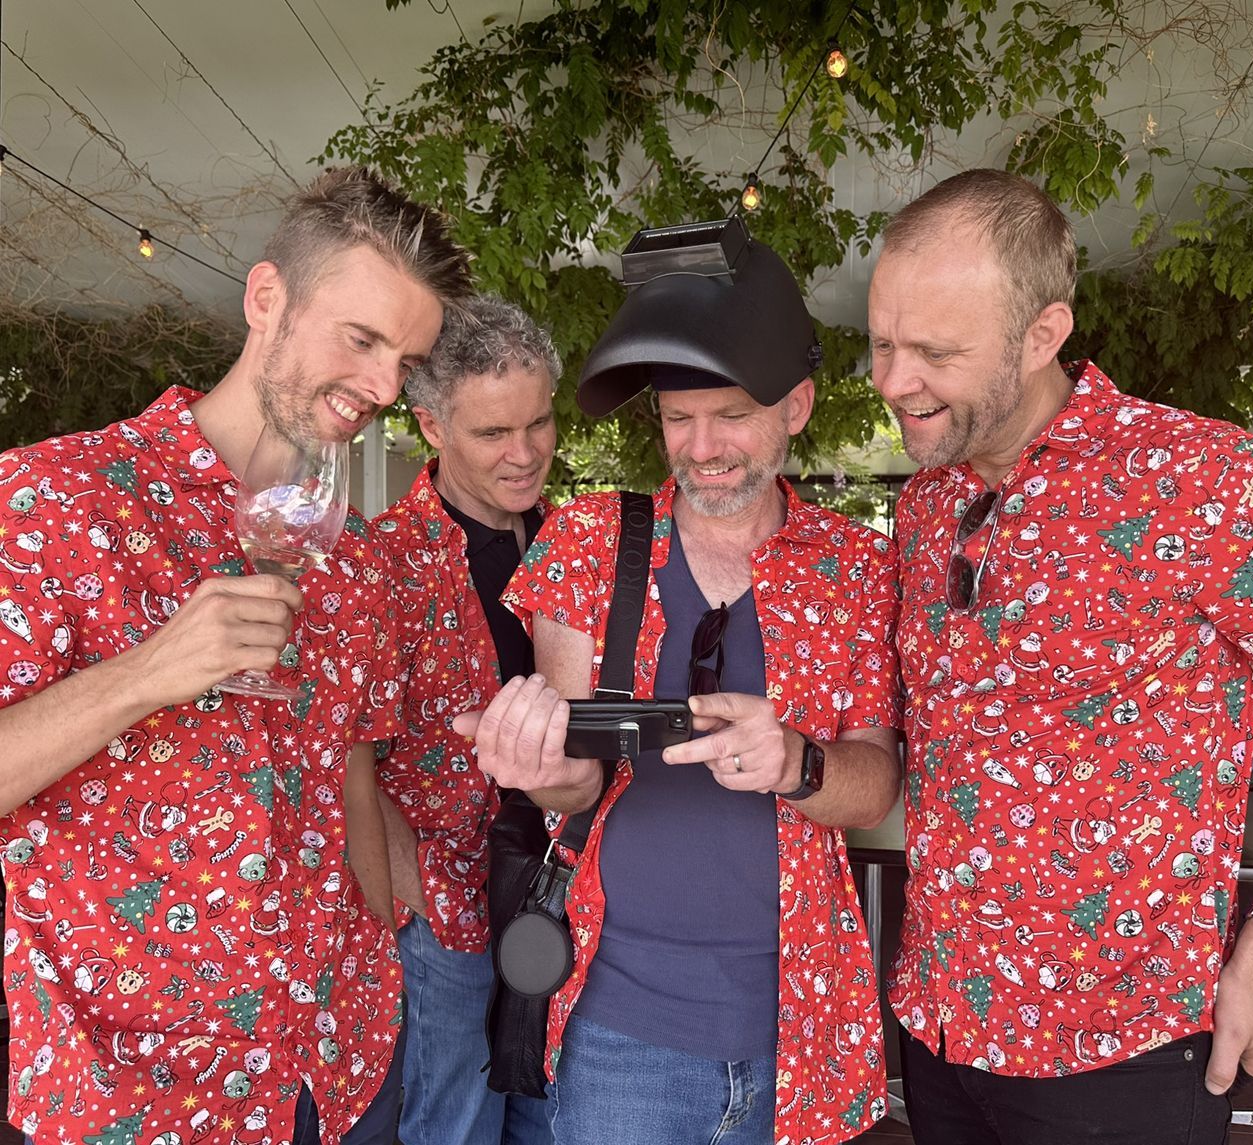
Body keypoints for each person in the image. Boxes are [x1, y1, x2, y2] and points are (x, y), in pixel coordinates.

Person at [867, 167, 1253, 1145]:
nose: (891, 381)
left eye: (935, 352)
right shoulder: (922, 506)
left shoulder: (1205, 481)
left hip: (1124, 1048)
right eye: (880, 342)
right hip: (938, 1020)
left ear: (1042, 333)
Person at [0, 166, 471, 1145]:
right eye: (362, 339)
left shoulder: (351, 560)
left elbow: (349, 768)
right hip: (137, 1097)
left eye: (407, 360)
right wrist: (146, 674)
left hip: (338, 1073)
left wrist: (384, 940)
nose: (384, 387)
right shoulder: (56, 500)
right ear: (266, 299)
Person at [457, 221, 901, 1145]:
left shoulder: (856, 568)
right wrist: (538, 767)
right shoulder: (588, 543)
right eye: (675, 417)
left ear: (797, 405)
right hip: (623, 1032)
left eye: (730, 413)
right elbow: (574, 786)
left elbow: (874, 785)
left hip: (802, 1021)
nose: (701, 446)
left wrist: (795, 762)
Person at [369, 294, 559, 1144]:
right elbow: (345, 754)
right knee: (455, 1128)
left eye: (538, 422)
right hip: (445, 912)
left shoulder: (578, 544)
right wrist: (413, 895)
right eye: (493, 433)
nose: (524, 453)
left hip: (567, 896)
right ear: (431, 425)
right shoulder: (381, 562)